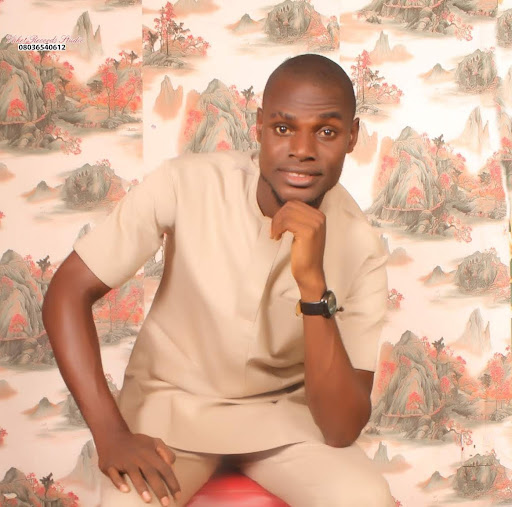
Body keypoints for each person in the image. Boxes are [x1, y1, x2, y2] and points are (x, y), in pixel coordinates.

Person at [43, 54, 394, 506]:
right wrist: (111, 433)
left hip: (286, 421)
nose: (302, 149)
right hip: (171, 409)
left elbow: (342, 427)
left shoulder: (363, 247)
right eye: (283, 128)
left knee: (367, 499)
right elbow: (67, 292)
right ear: (259, 127)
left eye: (326, 131)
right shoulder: (185, 183)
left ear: (353, 137)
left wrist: (313, 287)